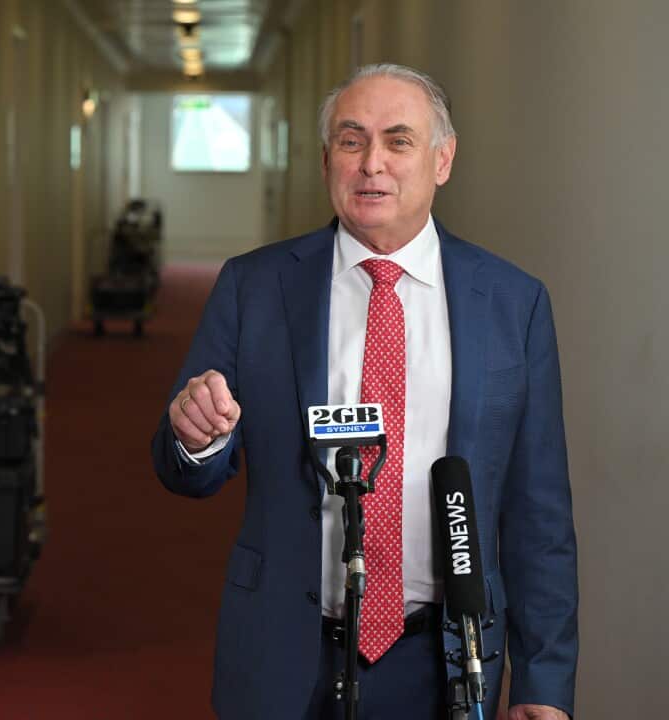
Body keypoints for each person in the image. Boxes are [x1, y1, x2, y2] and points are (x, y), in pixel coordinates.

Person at [151, 63, 577, 720]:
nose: (371, 163)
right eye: (352, 142)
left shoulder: (512, 304)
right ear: (327, 162)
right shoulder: (255, 288)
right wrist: (193, 434)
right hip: (284, 654)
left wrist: (543, 684)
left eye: (398, 141)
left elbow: (537, 517)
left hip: (444, 660)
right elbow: (186, 472)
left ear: (443, 160)